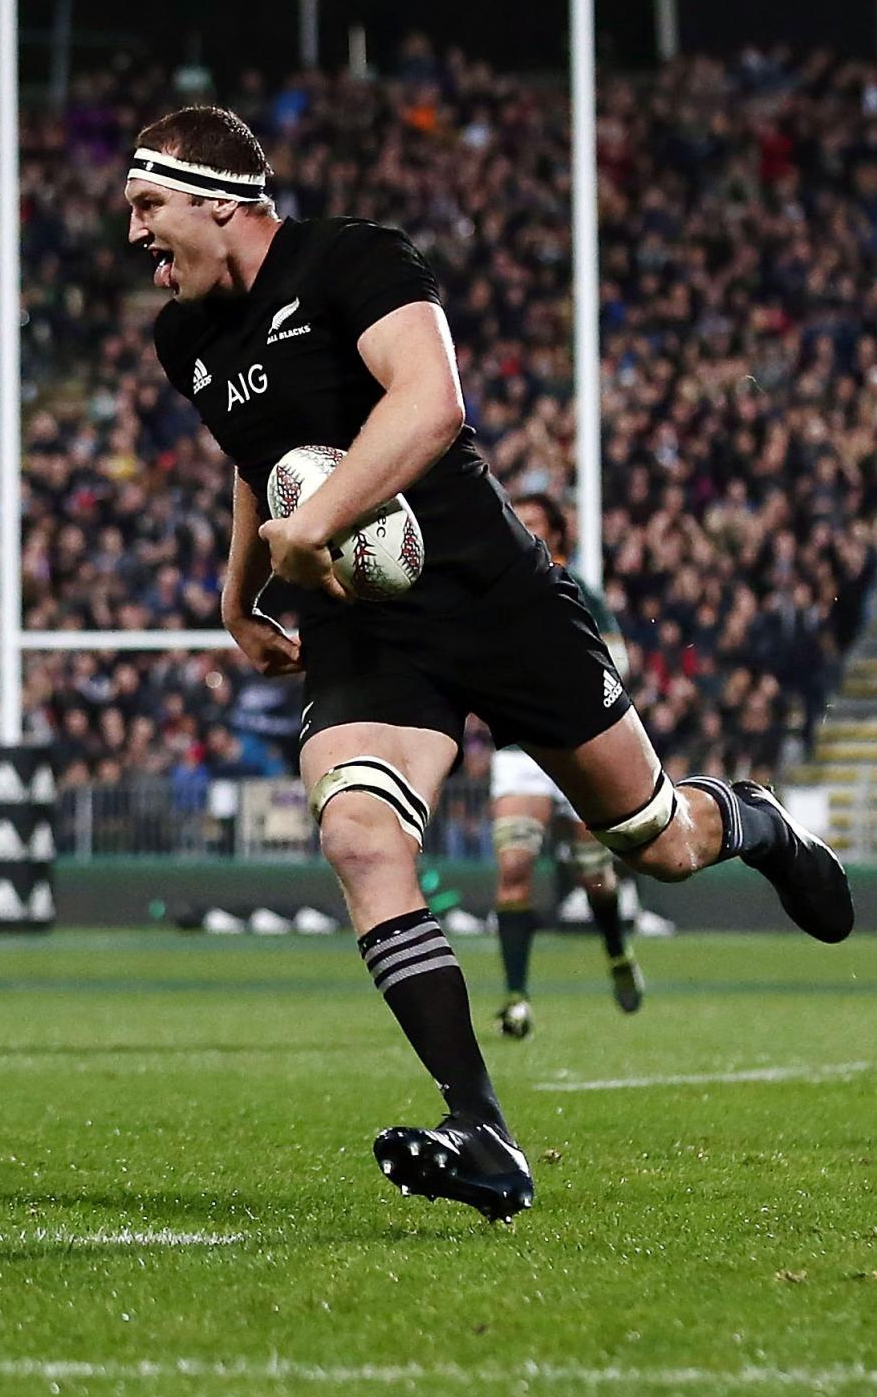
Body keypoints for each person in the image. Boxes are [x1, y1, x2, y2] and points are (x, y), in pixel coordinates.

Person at [127, 107, 851, 1223]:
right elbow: (253, 459)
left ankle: (744, 818)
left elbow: (430, 404)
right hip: (365, 626)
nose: (134, 234)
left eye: (147, 207)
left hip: (490, 596)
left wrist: (318, 515)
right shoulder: (183, 336)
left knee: (652, 844)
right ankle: (479, 1126)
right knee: (359, 836)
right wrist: (239, 594)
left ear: (217, 200)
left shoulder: (355, 258)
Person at [488, 493, 644, 1038]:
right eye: (518, 523)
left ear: (558, 535)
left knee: (594, 874)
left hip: (578, 741)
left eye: (535, 525)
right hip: (519, 750)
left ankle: (616, 949)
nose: (524, 532)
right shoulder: (493, 590)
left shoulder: (579, 592)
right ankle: (516, 997)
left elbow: (618, 661)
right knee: (513, 867)